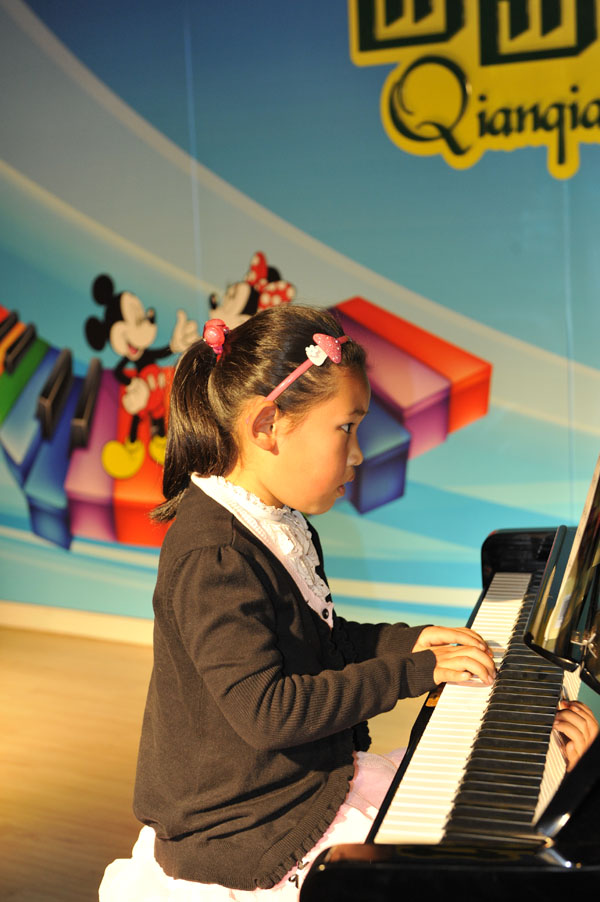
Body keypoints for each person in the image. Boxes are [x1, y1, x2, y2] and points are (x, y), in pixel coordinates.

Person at [99, 305, 597, 901]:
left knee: (496, 790)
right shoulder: (216, 555)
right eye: (346, 429)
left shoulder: (276, 523)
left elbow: (322, 640)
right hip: (250, 831)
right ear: (268, 426)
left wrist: (412, 641)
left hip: (291, 789)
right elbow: (270, 711)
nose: (359, 454)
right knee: (448, 860)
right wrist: (415, 671)